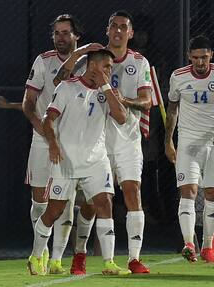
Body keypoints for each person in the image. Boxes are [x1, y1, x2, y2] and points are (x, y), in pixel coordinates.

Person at [54, 10, 152, 274]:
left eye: (124, 27)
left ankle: (133, 258)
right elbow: (59, 81)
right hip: (97, 140)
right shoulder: (93, 56)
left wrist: (125, 100)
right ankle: (80, 253)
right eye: (114, 26)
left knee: (132, 191)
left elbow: (147, 103)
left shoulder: (140, 62)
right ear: (107, 30)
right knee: (91, 203)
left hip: (128, 138)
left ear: (130, 33)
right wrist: (78, 53)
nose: (118, 31)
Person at [19, 14, 102, 275]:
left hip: (73, 144)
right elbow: (29, 103)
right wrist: (42, 130)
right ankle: (40, 252)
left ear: (76, 35)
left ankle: (55, 259)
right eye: (57, 33)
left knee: (65, 201)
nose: (61, 38)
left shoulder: (88, 63)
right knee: (40, 200)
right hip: (44, 140)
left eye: (66, 33)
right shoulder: (43, 61)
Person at [34, 48, 129, 276]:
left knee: (105, 203)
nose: (110, 70)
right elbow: (48, 120)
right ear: (93, 66)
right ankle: (36, 255)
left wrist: (106, 87)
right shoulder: (67, 87)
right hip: (66, 160)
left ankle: (109, 263)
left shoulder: (107, 92)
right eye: (106, 66)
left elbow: (122, 117)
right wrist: (54, 144)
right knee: (54, 211)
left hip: (96, 161)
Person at [164, 35, 214, 263]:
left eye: (204, 57)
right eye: (196, 58)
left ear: (211, 56)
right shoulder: (178, 77)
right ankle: (189, 243)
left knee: (212, 193)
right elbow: (172, 111)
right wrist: (168, 141)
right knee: (188, 191)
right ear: (189, 57)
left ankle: (207, 246)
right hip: (188, 143)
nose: (200, 62)